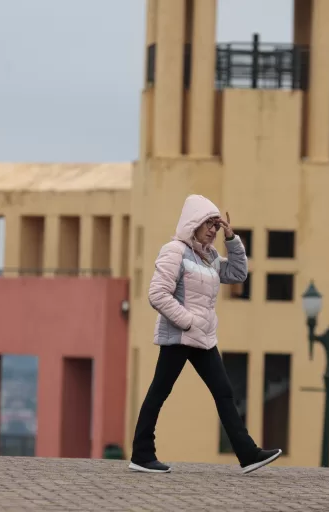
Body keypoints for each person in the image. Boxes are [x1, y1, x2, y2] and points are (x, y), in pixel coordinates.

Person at [129, 194, 282, 475]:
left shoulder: (210, 256)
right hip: (179, 336)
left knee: (224, 393)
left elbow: (237, 274)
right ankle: (141, 454)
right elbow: (157, 294)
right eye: (208, 224)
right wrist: (187, 322)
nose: (213, 229)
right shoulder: (174, 250)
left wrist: (232, 239)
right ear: (193, 223)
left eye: (216, 224)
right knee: (160, 392)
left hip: (203, 338)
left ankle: (247, 453)